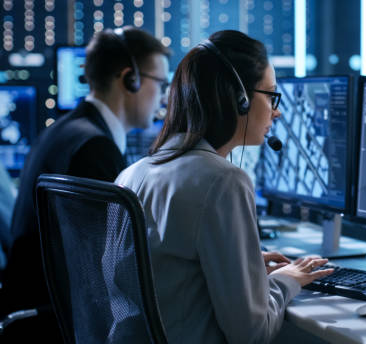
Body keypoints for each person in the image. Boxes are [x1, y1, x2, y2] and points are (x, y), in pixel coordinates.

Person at [115, 30, 334, 343]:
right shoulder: (223, 181)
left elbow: (164, 270)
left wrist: (240, 263)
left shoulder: (130, 175)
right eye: (271, 95)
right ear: (239, 100)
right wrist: (287, 280)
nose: (277, 110)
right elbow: (252, 333)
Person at [1, 26, 170, 340]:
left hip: (38, 315)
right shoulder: (95, 149)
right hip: (59, 323)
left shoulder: (65, 131)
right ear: (129, 78)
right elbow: (117, 270)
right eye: (160, 83)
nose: (163, 95)